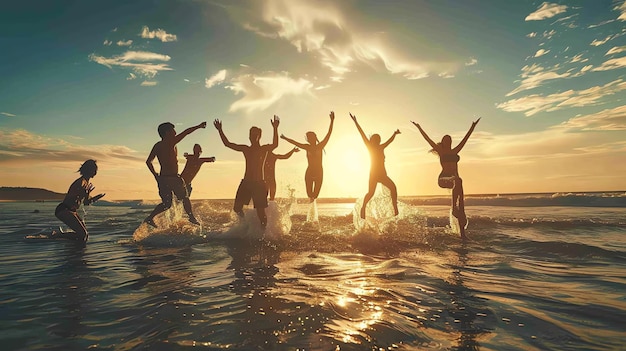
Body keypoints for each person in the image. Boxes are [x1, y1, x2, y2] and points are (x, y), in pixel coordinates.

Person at [412, 118, 480, 240]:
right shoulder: (441, 151)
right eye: (446, 139)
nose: (448, 141)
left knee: (461, 199)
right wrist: (419, 127)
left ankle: (462, 233)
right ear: (443, 141)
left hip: (455, 180)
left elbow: (465, 139)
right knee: (458, 181)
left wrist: (473, 126)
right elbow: (427, 139)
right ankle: (454, 207)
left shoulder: (455, 151)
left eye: (449, 140)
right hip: (443, 179)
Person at [214, 116, 280, 227]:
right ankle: (245, 225)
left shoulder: (263, 149)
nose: (252, 137)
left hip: (259, 184)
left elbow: (275, 145)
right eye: (251, 135)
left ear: (259, 136)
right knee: (237, 208)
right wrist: (220, 130)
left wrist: (275, 128)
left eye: (255, 135)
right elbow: (228, 144)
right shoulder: (246, 149)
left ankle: (263, 233)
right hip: (246, 183)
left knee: (260, 211)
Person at [144, 121, 206, 227]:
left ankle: (150, 218)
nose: (175, 132)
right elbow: (186, 132)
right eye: (173, 130)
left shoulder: (157, 145)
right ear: (167, 132)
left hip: (162, 179)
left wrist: (156, 175)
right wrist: (199, 126)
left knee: (166, 204)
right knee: (184, 198)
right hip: (173, 178)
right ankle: (191, 217)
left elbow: (148, 161)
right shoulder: (170, 142)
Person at [350, 113, 400, 219]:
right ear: (372, 140)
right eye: (375, 139)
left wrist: (394, 134)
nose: (377, 141)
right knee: (371, 193)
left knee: (393, 188)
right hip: (374, 174)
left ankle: (395, 207)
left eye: (378, 139)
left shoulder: (381, 147)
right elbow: (362, 134)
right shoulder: (369, 147)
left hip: (382, 174)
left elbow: (389, 141)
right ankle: (363, 207)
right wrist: (356, 122)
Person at [280, 111, 334, 202]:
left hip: (319, 172)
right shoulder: (306, 147)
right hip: (309, 171)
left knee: (315, 195)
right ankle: (311, 213)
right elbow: (295, 142)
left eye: (310, 137)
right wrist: (285, 138)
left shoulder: (320, 146)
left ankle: (313, 212)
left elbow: (329, 134)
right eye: (308, 138)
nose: (309, 139)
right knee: (309, 194)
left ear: (313, 138)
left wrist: (332, 120)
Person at [54, 159, 105, 243]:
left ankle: (62, 237)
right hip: (64, 209)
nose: (95, 172)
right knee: (83, 235)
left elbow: (86, 202)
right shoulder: (81, 182)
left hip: (71, 211)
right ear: (88, 170)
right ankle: (56, 236)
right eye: (94, 170)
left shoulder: (86, 182)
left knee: (84, 236)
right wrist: (85, 193)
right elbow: (79, 194)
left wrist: (96, 197)